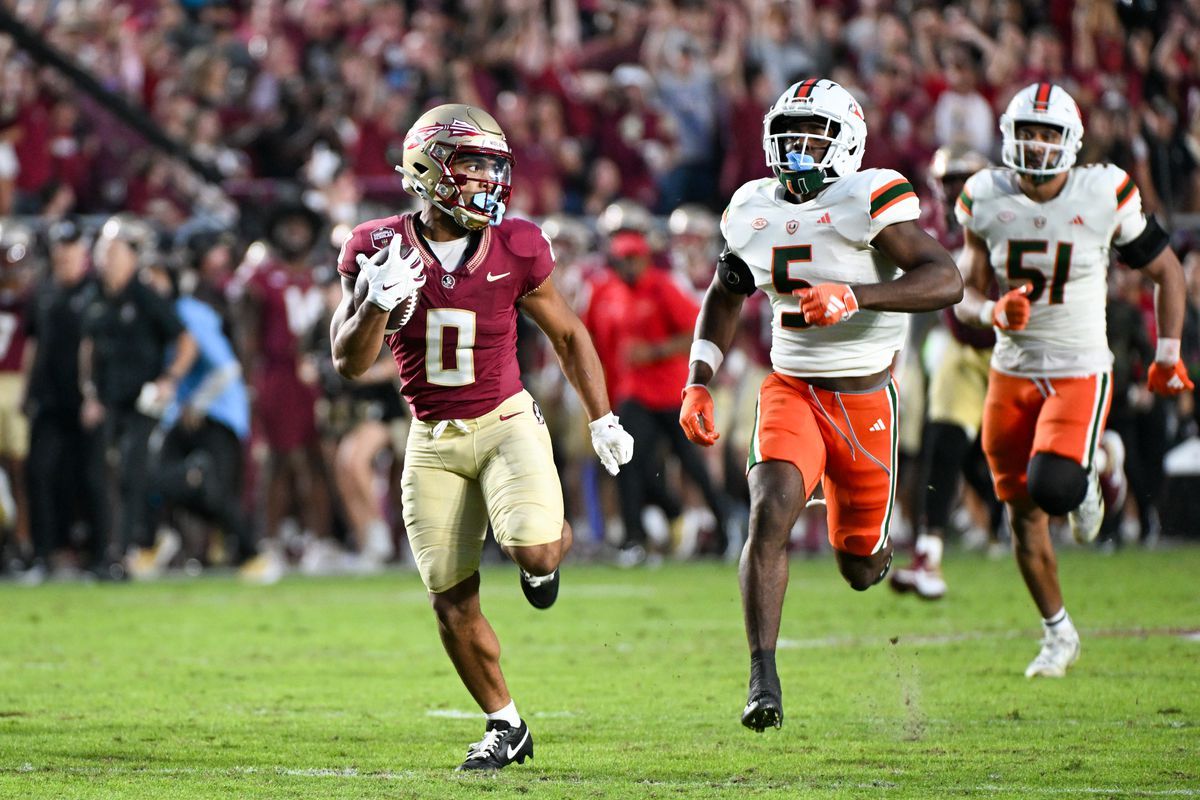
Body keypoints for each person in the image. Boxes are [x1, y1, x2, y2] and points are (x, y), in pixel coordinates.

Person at [330, 104, 633, 771]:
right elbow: (348, 362)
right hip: (430, 439)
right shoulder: (376, 245)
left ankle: (548, 558)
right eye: (471, 166)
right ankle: (506, 724)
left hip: (505, 422)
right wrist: (372, 303)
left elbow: (567, 333)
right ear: (428, 168)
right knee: (450, 599)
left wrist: (601, 415)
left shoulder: (518, 245)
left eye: (493, 168)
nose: (486, 182)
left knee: (531, 546)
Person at [678, 78, 963, 732]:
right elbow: (726, 292)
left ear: (849, 141)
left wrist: (855, 295)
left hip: (864, 401)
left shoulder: (868, 196)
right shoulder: (751, 206)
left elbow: (945, 278)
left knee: (861, 568)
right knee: (769, 509)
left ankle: (862, 521)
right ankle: (762, 680)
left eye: (812, 136)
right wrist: (700, 377)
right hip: (791, 390)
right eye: (786, 136)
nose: (795, 149)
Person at [953, 83, 1193, 677]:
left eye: (1047, 133)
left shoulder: (1103, 190)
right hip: (1011, 372)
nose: (1035, 145)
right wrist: (990, 313)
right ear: (1009, 137)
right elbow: (964, 292)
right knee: (1022, 514)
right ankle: (1058, 634)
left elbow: (1167, 271)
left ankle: (1099, 466)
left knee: (1054, 486)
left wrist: (1167, 352)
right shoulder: (984, 195)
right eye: (1027, 132)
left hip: (1079, 367)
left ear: (1071, 142)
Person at [891, 145, 998, 600]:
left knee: (1009, 457)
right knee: (943, 441)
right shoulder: (929, 221)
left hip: (1017, 345)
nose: (956, 189)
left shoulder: (1006, 212)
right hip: (960, 343)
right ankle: (928, 555)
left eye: (964, 179)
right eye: (949, 181)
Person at [79, 215, 197, 577]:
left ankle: (126, 551)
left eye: (113, 251)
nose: (105, 257)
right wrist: (88, 393)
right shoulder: (97, 296)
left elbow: (186, 342)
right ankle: (111, 549)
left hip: (143, 399)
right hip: (109, 399)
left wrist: (169, 378)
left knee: (132, 469)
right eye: (103, 250)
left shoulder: (146, 296)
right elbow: (87, 349)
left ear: (132, 256)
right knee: (100, 474)